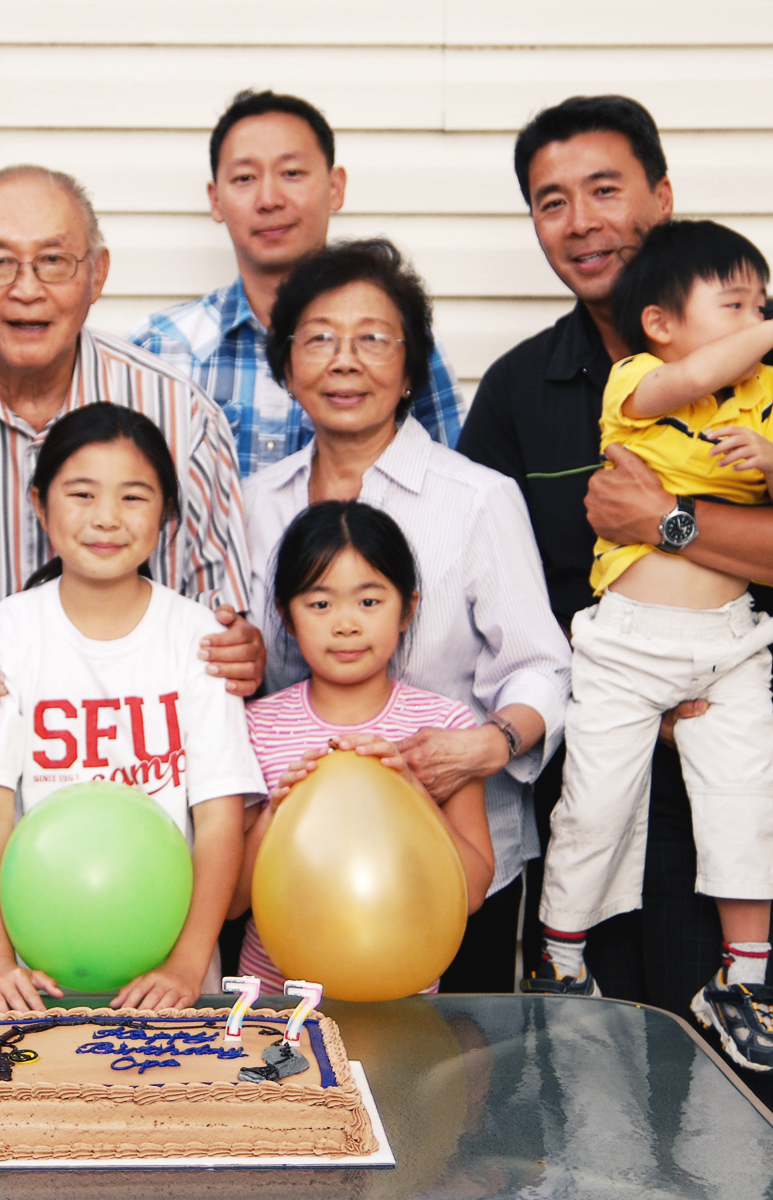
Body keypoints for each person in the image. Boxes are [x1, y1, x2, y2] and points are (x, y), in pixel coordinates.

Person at [457, 94, 773, 1131]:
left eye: (607, 188)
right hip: (595, 775)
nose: (582, 220)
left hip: (743, 759)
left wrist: (674, 526)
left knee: (751, 1102)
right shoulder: (522, 388)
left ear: (661, 194)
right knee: (586, 1100)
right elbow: (488, 605)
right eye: (551, 201)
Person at [0, 165, 262, 995]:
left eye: (54, 261)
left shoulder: (177, 411)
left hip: (161, 899)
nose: (27, 288)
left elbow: (226, 624)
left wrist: (241, 650)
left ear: (97, 274)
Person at [531, 219, 773, 1078]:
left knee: (747, 799)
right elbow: (690, 380)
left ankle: (744, 982)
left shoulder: (772, 391)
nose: (756, 316)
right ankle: (562, 955)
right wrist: (769, 330)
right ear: (661, 322)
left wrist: (772, 457)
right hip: (627, 648)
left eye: (761, 302)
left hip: (730, 646)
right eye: (733, 303)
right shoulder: (641, 374)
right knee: (594, 805)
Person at [242, 238, 569, 992]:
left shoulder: (478, 498)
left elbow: (541, 665)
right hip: (297, 866)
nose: (345, 361)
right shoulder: (255, 503)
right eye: (319, 339)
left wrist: (489, 746)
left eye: (373, 339)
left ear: (412, 367)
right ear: (287, 369)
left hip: (451, 855)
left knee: (448, 1086)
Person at [0, 90, 468, 472]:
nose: (270, 198)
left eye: (293, 173)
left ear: (336, 186)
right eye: (245, 177)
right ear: (216, 200)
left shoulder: (391, 343)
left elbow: (445, 486)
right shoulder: (163, 346)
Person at [0, 405, 265, 1011]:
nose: (106, 519)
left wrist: (187, 966)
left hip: (171, 985)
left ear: (167, 514)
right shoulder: (5, 636)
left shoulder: (201, 640)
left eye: (134, 497)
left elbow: (221, 821)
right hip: (33, 982)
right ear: (40, 505)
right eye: (82, 493)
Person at [233, 501, 495, 994]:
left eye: (369, 602)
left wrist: (414, 789)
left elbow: (475, 892)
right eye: (320, 603)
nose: (346, 624)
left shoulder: (443, 727)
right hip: (273, 1003)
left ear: (408, 608)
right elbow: (229, 903)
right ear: (287, 616)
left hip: (402, 999)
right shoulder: (255, 727)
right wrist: (276, 812)